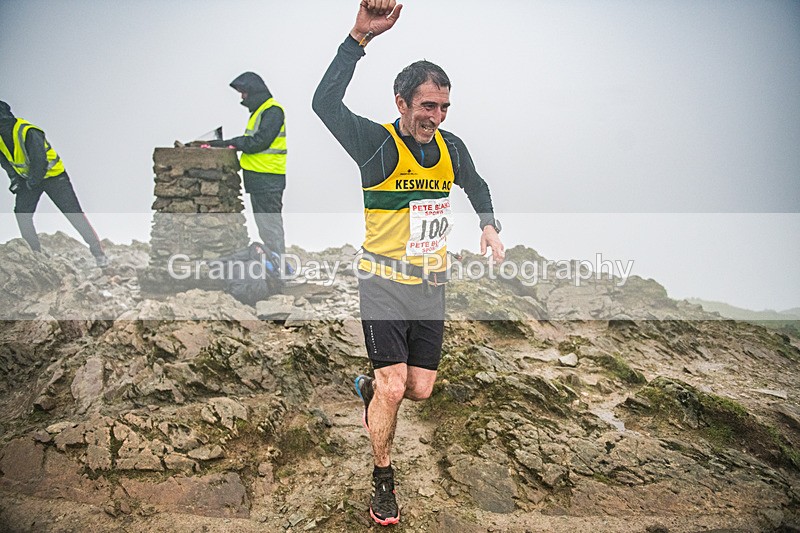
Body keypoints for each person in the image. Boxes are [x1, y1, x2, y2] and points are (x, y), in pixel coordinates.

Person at [312, 0, 505, 525]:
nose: (435, 117)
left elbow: (477, 184)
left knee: (417, 389)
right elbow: (323, 103)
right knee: (395, 387)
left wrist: (489, 225)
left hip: (430, 288)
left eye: (443, 107)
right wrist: (358, 38)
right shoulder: (375, 143)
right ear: (402, 102)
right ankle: (383, 481)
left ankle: (369, 387)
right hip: (381, 284)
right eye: (426, 106)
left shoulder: (452, 147)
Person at [0, 101, 108, 268]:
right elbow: (5, 161)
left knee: (73, 213)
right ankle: (36, 255)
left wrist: (32, 182)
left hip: (54, 177)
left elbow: (40, 161)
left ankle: (99, 254)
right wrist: (15, 180)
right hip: (29, 179)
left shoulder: (28, 131)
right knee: (22, 213)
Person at [208, 72, 287, 256]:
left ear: (254, 91)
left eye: (244, 92)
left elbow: (258, 142)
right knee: (267, 227)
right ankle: (277, 267)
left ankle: (279, 270)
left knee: (270, 228)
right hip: (260, 179)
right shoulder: (261, 111)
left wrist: (229, 143)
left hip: (268, 178)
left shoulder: (273, 111)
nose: (242, 97)